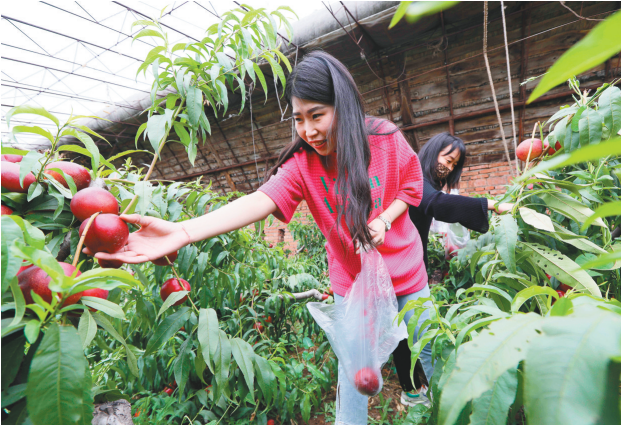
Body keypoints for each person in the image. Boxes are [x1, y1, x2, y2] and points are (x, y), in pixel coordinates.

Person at [92, 51, 431, 425]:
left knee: (428, 351)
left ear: (344, 106)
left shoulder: (384, 139)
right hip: (352, 284)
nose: (308, 131)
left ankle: (441, 408)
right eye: (299, 119)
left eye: (317, 115)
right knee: (353, 379)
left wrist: (383, 220)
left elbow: (411, 189)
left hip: (407, 274)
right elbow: (260, 200)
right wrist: (184, 232)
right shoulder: (303, 165)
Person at [392, 132, 513, 407]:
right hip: (398, 268)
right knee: (420, 334)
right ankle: (437, 397)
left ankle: (417, 391)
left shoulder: (427, 184)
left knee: (409, 331)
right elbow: (439, 205)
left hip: (410, 266)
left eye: (454, 164)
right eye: (447, 159)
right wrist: (492, 205)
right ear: (433, 151)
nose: (448, 167)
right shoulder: (414, 180)